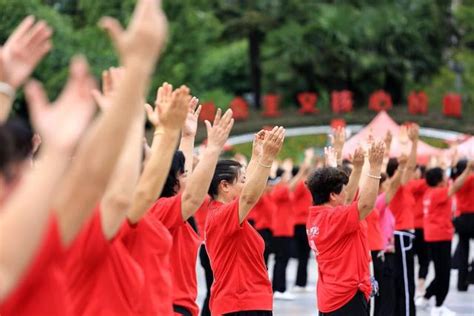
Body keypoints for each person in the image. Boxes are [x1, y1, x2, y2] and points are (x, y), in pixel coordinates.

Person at [205, 126, 285, 316]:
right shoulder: (221, 216)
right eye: (241, 181)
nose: (246, 183)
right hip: (241, 305)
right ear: (224, 186)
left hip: (247, 303)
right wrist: (267, 158)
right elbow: (249, 196)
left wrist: (256, 155)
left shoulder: (227, 214)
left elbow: (247, 188)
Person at [306, 140, 385, 316]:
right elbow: (365, 205)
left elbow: (347, 199)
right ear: (333, 195)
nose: (347, 192)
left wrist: (339, 168)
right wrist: (375, 168)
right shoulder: (335, 218)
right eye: (343, 189)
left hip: (330, 296)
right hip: (346, 299)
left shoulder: (317, 216)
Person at [416, 163, 473, 316]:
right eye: (444, 175)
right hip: (440, 237)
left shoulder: (429, 192)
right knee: (444, 275)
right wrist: (468, 169)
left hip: (434, 236)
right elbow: (456, 186)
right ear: (439, 181)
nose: (447, 177)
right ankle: (438, 306)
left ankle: (426, 297)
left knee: (441, 273)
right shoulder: (438, 192)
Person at [386, 124, 419, 316]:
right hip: (401, 234)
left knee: (401, 279)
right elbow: (410, 166)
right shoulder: (395, 185)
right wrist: (414, 143)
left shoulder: (400, 186)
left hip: (399, 235)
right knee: (406, 281)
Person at [451, 159, 474, 292]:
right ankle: (471, 276)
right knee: (463, 250)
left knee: (463, 250)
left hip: (462, 219)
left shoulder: (456, 180)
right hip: (471, 216)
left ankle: (462, 282)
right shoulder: (470, 178)